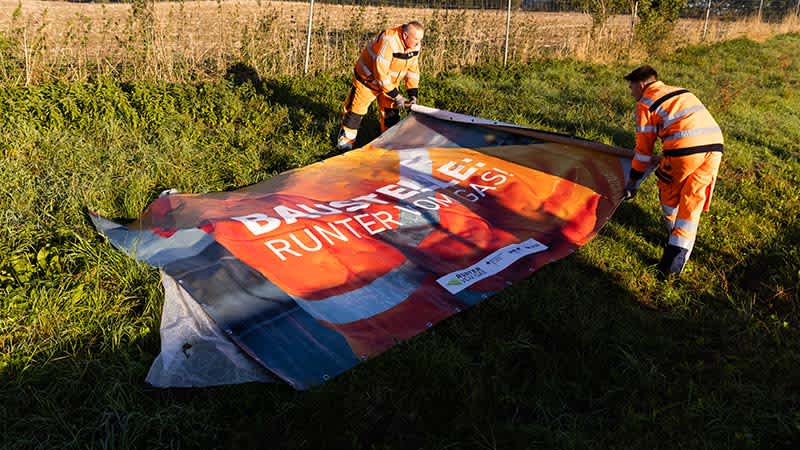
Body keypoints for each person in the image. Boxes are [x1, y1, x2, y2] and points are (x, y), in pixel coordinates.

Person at [622, 65, 723, 277]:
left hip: (684, 150)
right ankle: (673, 267)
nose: (631, 93)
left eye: (631, 87)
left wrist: (633, 182)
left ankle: (671, 237)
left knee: (669, 195)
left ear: (641, 84)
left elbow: (643, 152)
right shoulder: (682, 91)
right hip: (715, 146)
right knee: (692, 204)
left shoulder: (645, 104)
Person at [335, 21, 424, 151]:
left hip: (389, 84)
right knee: (356, 112)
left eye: (420, 39)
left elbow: (413, 70)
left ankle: (388, 145)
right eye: (415, 39)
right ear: (405, 36)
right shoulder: (389, 40)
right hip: (368, 80)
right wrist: (397, 97)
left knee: (391, 115)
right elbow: (380, 73)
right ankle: (344, 145)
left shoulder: (415, 45)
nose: (418, 43)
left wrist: (413, 94)